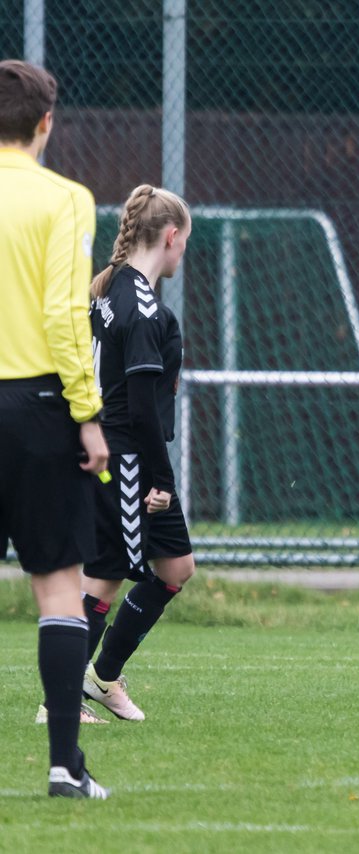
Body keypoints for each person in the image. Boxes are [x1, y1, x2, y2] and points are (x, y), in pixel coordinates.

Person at [0, 58, 111, 798]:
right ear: (46, 124)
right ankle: (66, 766)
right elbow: (67, 317)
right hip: (36, 407)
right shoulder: (65, 199)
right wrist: (87, 413)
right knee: (58, 584)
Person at [77, 184, 195, 722]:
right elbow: (143, 410)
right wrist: (161, 479)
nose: (182, 252)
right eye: (183, 242)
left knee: (175, 569)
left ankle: (103, 678)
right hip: (129, 461)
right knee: (107, 573)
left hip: (129, 457)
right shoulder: (141, 307)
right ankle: (59, 698)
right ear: (171, 236)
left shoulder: (110, 290)